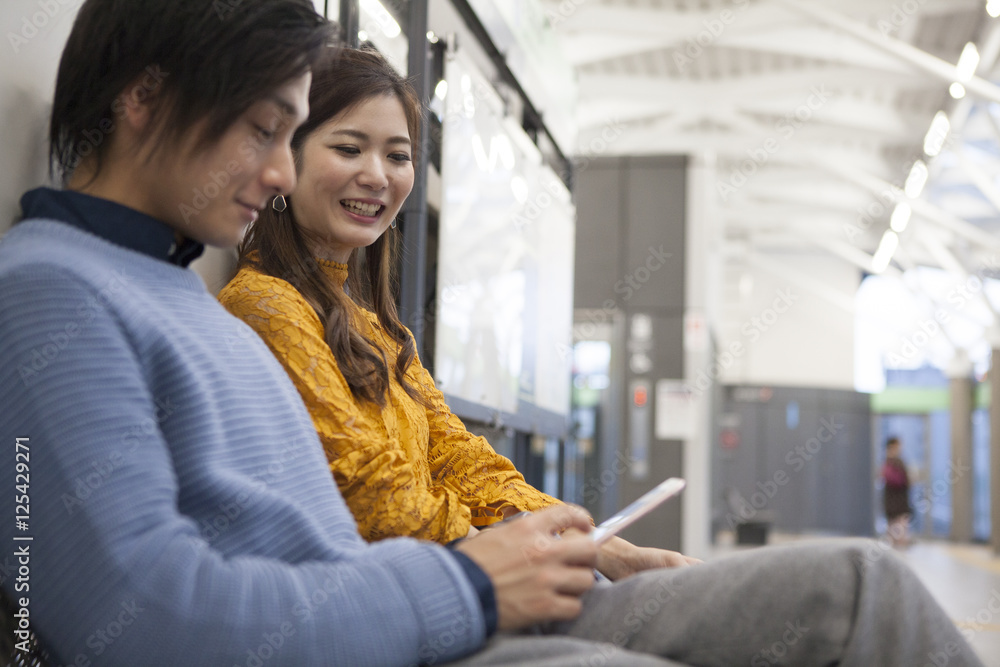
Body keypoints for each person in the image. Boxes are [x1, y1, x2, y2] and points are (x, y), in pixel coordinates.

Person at [0, 2, 985, 665]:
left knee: (859, 584)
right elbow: (140, 616)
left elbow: (441, 469)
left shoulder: (171, 286)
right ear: (145, 98)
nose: (278, 171)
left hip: (412, 612)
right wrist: (472, 581)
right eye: (268, 132)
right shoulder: (54, 294)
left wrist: (542, 546)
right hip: (414, 622)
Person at [218, 47, 690, 580]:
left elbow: (456, 457)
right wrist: (507, 559)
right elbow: (360, 485)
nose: (377, 175)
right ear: (286, 158)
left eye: (398, 156)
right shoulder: (264, 306)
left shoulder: (377, 330)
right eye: (349, 148)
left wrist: (597, 545)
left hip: (429, 587)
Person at [882, 436, 912, 547]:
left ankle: (897, 547)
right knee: (899, 525)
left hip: (895, 500)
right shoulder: (894, 462)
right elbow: (901, 481)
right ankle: (898, 547)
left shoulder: (888, 461)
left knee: (896, 526)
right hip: (897, 500)